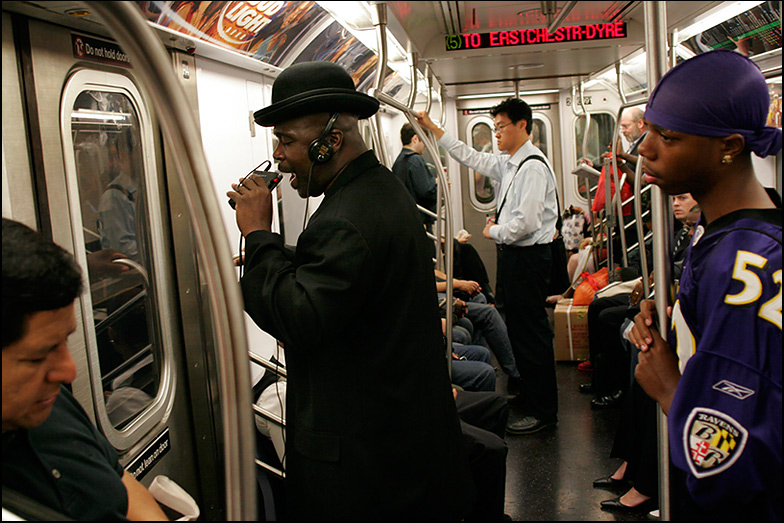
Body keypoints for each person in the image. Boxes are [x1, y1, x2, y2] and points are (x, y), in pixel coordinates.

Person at [227, 61, 472, 520]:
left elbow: (299, 318)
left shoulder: (343, 217)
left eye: (287, 140)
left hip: (369, 464)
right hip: (400, 439)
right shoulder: (379, 190)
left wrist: (260, 237)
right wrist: (284, 258)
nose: (278, 155)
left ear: (330, 143)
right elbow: (354, 277)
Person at [629, 50, 781, 520]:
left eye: (668, 137)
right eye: (649, 130)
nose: (644, 148)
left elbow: (735, 463)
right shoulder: (724, 230)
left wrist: (670, 387)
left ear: (729, 146)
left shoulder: (743, 268)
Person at [1, 218, 167, 521]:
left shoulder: (50, 405)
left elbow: (121, 486)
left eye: (64, 341)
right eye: (38, 357)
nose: (68, 372)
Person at [417, 98, 559, 435]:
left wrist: (492, 230)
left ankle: (544, 412)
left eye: (501, 127)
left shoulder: (533, 167)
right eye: (493, 127)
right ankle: (529, 394)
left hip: (528, 258)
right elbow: (471, 157)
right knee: (519, 331)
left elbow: (525, 222)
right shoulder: (510, 164)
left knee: (533, 334)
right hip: (515, 258)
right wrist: (436, 131)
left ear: (523, 126)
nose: (496, 134)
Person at [392, 123, 438, 231]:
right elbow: (426, 191)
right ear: (415, 139)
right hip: (420, 220)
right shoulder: (415, 160)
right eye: (424, 141)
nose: (425, 146)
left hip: (407, 219)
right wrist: (436, 184)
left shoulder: (399, 161)